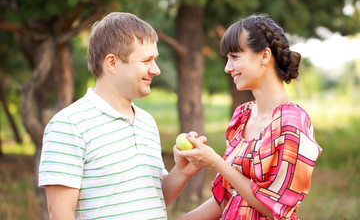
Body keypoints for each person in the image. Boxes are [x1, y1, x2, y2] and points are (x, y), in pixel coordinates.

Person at [38, 12, 202, 220]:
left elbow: (154, 198)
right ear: (112, 63)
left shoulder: (146, 122)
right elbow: (60, 214)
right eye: (146, 60)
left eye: (155, 60)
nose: (156, 70)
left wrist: (181, 171)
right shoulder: (69, 125)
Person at [175, 14, 323, 220]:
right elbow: (228, 197)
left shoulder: (293, 124)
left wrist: (217, 162)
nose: (227, 68)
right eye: (227, 58)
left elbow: (275, 209)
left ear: (264, 56)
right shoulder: (242, 116)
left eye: (234, 57)